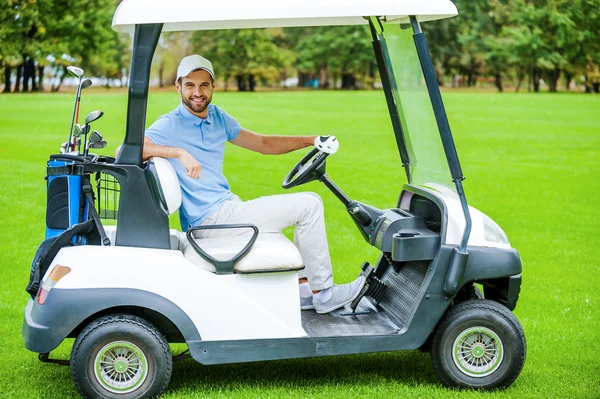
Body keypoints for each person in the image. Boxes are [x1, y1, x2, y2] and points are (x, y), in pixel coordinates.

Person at [143, 54, 365, 314]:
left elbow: (262, 143)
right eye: (190, 85)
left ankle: (304, 292)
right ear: (178, 86)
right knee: (309, 204)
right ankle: (324, 294)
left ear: (213, 86)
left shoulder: (217, 117)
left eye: (204, 85)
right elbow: (125, 150)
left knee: (293, 217)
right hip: (210, 222)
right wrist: (178, 152)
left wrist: (311, 139)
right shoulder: (170, 124)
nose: (197, 93)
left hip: (227, 212)